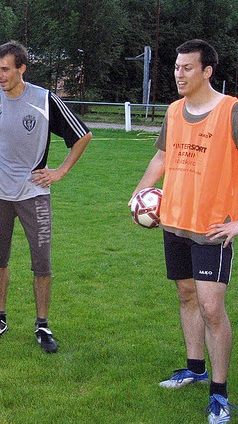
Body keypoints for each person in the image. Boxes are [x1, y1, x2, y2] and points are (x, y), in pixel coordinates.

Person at [0, 40, 92, 353]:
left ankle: (42, 324)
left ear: (21, 69)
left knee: (42, 261)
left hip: (35, 192)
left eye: (5, 69)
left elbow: (82, 135)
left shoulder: (44, 100)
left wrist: (60, 172)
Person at [131, 39, 238, 423]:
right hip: (175, 220)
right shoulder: (175, 112)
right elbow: (163, 154)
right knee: (187, 294)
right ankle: (195, 368)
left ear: (207, 71)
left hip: (213, 228)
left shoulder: (231, 110)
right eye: (177, 67)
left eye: (187, 68)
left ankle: (220, 395)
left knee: (212, 308)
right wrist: (141, 192)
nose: (179, 73)